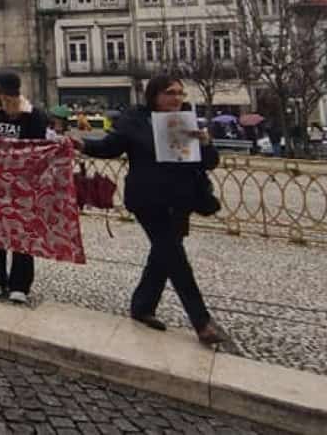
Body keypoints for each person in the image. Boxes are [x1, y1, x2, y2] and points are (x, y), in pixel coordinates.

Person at [70, 75, 227, 346]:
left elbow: (210, 162)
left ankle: (142, 306)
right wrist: (83, 144)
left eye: (180, 93)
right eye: (170, 93)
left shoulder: (185, 120)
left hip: (181, 199)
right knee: (175, 258)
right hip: (148, 199)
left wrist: (205, 143)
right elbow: (111, 146)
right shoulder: (135, 120)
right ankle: (201, 321)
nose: (177, 98)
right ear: (154, 95)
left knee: (164, 254)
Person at [0, 69, 48, 304]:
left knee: (22, 234)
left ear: (2, 90)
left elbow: (41, 146)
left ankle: (20, 284)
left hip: (23, 183)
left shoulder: (32, 115)